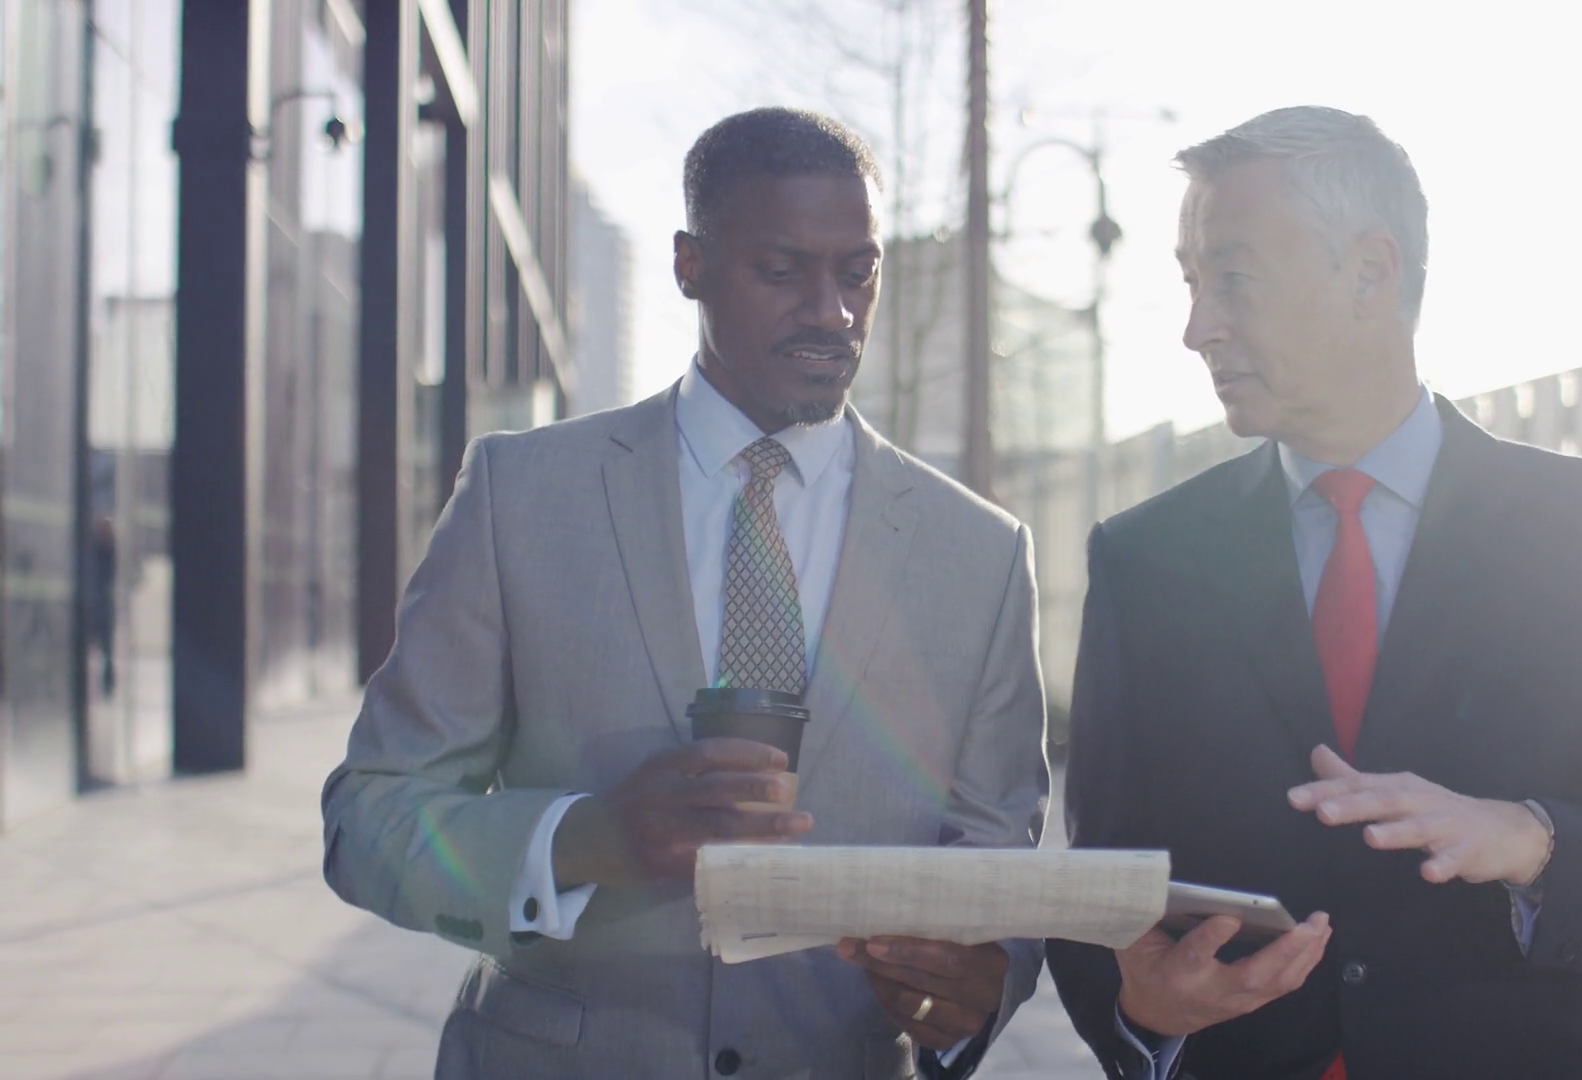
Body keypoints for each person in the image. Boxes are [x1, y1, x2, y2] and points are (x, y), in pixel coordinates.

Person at [1047, 106, 1582, 1080]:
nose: (1197, 328)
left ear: (1370, 271)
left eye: (1233, 279)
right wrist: (1142, 1005)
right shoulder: (1145, 561)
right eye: (1191, 284)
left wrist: (1532, 840)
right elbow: (1099, 894)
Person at [322, 107, 1047, 1079]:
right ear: (689, 265)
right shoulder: (518, 496)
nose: (833, 312)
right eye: (782, 270)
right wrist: (582, 839)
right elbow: (371, 816)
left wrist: (981, 982)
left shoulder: (981, 553)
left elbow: (1001, 866)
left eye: (858, 273)